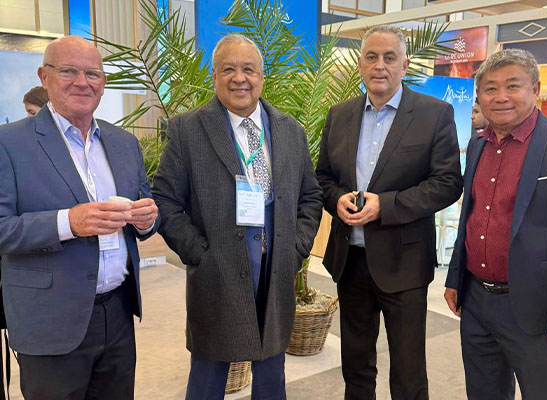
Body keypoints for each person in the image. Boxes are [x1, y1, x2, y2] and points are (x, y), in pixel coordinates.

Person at [152, 34, 322, 399]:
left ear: (262, 76)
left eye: (248, 69)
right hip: (217, 274)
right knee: (207, 378)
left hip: (275, 273)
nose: (239, 78)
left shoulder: (290, 131)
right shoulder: (188, 129)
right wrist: (199, 254)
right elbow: (165, 200)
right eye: (228, 69)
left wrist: (295, 249)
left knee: (271, 377)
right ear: (214, 76)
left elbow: (311, 196)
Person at [0, 36, 159, 399]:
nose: (82, 82)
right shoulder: (9, 144)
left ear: (104, 82)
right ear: (44, 76)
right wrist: (68, 223)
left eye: (93, 74)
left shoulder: (123, 143)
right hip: (49, 321)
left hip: (117, 315)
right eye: (68, 71)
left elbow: (146, 208)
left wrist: (147, 219)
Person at [316, 25, 462, 400]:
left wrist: (387, 205)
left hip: (404, 264)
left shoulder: (434, 114)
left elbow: (447, 183)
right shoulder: (339, 115)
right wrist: (337, 200)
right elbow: (323, 178)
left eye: (389, 57)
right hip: (350, 261)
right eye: (371, 56)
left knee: (408, 373)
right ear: (360, 63)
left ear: (404, 65)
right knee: (356, 367)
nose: (379, 65)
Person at [444, 48, 547, 399]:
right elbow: (472, 217)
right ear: (479, 95)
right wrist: (456, 279)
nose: (500, 97)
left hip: (537, 306)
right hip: (476, 301)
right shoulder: (477, 145)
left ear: (536, 89)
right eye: (490, 88)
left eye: (512, 86)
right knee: (483, 393)